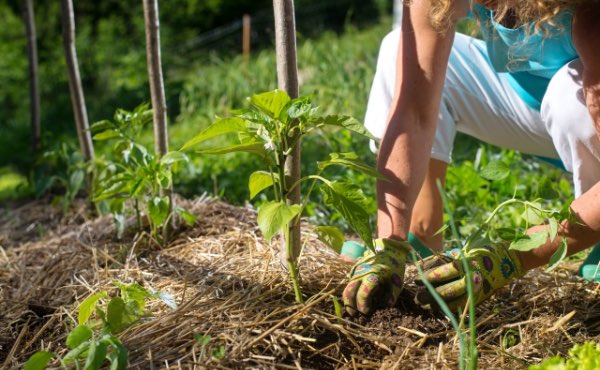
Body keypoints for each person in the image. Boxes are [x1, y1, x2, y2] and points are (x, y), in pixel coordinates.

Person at [342, 0, 600, 316]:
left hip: (579, 107)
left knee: (568, 96)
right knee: (399, 47)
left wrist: (512, 258)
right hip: (528, 102)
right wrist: (389, 243)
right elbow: (414, 110)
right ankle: (420, 236)